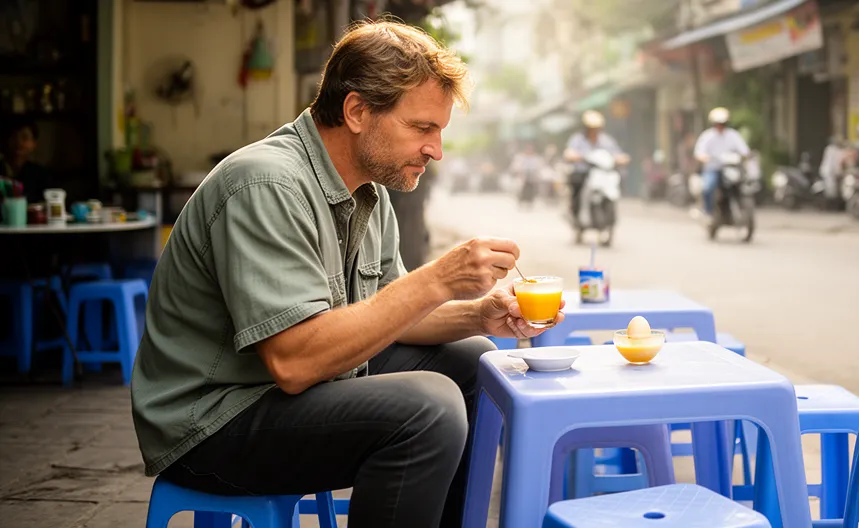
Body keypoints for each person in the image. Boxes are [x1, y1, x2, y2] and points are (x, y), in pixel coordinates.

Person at [130, 20, 565, 528]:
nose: (436, 150)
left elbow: (388, 312)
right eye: (421, 128)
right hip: (213, 421)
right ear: (357, 111)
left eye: (440, 131)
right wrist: (438, 278)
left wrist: (480, 314)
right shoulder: (265, 184)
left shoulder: (367, 190)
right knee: (428, 407)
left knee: (473, 361)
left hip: (283, 395)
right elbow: (295, 362)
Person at [563, 110, 629, 225]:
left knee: (618, 178)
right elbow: (568, 153)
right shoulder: (578, 139)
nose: (594, 131)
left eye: (596, 128)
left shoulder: (606, 140)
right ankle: (574, 211)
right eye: (591, 128)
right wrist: (578, 157)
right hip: (583, 173)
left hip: (602, 173)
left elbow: (618, 154)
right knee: (575, 184)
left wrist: (622, 158)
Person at [693, 107, 750, 217]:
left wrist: (746, 155)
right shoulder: (707, 136)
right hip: (713, 168)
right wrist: (704, 157)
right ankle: (708, 211)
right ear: (714, 124)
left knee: (742, 184)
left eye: (723, 123)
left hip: (730, 169)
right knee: (708, 187)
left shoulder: (733, 135)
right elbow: (699, 153)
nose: (720, 126)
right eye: (718, 123)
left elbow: (744, 150)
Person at [1, 117, 51, 203]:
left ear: (34, 144)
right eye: (13, 137)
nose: (19, 143)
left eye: (24, 138)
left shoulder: (41, 174)